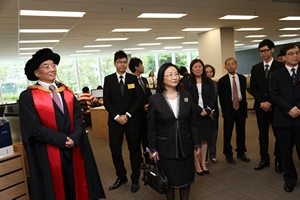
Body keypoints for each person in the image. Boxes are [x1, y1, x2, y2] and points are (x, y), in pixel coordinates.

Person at [19, 48, 105, 200]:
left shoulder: (66, 91)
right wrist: (62, 140)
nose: (52, 69)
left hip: (74, 148)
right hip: (49, 151)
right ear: (36, 73)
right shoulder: (28, 96)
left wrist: (75, 137)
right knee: (56, 190)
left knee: (76, 186)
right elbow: (34, 128)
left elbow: (78, 118)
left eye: (53, 65)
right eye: (46, 66)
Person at [148, 63, 200, 200]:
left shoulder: (186, 96)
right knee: (168, 182)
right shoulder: (155, 100)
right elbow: (151, 126)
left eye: (176, 73)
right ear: (162, 78)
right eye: (170, 74)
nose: (174, 77)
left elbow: (193, 123)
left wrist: (196, 143)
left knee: (186, 180)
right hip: (166, 148)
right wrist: (152, 148)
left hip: (186, 145)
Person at [103, 50, 143, 193]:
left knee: (135, 151)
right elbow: (107, 101)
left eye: (125, 62)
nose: (123, 64)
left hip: (131, 121)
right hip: (115, 122)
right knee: (115, 151)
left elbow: (139, 99)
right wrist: (116, 117)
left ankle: (135, 178)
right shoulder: (108, 79)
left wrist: (127, 114)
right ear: (115, 63)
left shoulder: (133, 79)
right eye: (120, 62)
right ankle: (121, 176)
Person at [269, 43, 300, 193]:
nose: (295, 56)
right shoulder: (276, 75)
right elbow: (274, 95)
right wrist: (289, 109)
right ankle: (290, 179)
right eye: (291, 53)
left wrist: (297, 108)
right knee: (286, 153)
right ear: (283, 57)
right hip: (283, 119)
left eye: (297, 53)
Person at [250, 39, 284, 173]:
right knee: (262, 134)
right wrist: (262, 102)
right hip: (260, 107)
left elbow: (281, 88)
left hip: (276, 107)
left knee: (278, 134)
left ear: (272, 50)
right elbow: (253, 87)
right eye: (261, 51)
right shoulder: (256, 68)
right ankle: (264, 159)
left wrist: (270, 102)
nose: (263, 53)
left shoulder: (280, 67)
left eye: (265, 50)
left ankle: (279, 159)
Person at [183, 59, 215, 175]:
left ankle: (203, 162)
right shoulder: (187, 82)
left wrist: (207, 110)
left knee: (205, 139)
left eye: (200, 66)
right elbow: (187, 99)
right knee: (195, 139)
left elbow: (213, 97)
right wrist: (198, 110)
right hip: (193, 114)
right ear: (191, 69)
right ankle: (196, 163)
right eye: (195, 67)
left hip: (206, 114)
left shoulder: (209, 82)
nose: (198, 69)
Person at [218, 57, 250, 164]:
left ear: (236, 65)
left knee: (241, 132)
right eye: (228, 64)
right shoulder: (222, 81)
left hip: (240, 107)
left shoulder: (242, 78)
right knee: (228, 132)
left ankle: (241, 153)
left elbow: (243, 94)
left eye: (233, 64)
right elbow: (221, 98)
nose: (231, 66)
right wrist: (224, 111)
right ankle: (228, 153)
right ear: (225, 67)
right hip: (229, 108)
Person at [128, 57, 152, 169]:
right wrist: (142, 106)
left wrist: (149, 104)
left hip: (146, 115)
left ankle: (148, 157)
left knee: (146, 138)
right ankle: (139, 160)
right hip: (136, 115)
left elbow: (148, 95)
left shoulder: (145, 80)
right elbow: (132, 99)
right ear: (136, 67)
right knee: (136, 139)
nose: (143, 67)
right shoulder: (130, 81)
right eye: (141, 65)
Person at [205, 64, 219, 164]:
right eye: (207, 72)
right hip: (204, 112)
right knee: (205, 136)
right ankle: (204, 157)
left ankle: (213, 155)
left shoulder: (215, 84)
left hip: (214, 112)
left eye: (211, 71)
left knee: (214, 134)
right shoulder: (201, 84)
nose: (209, 74)